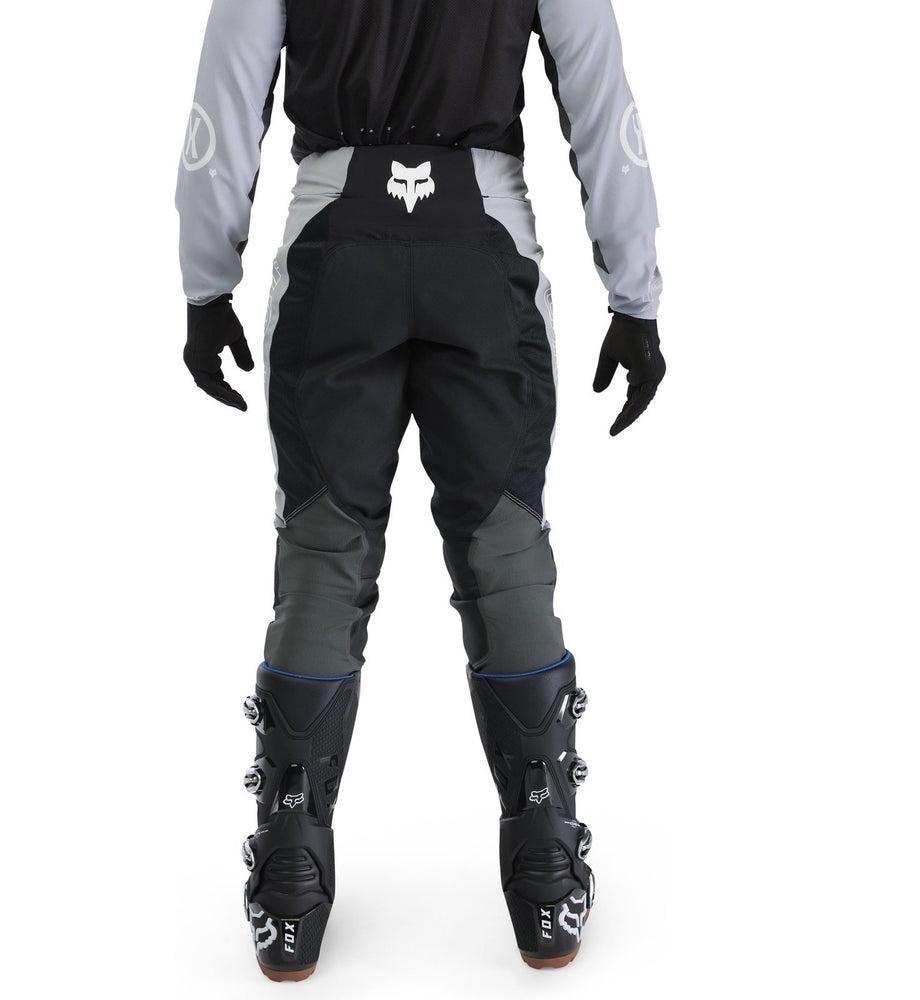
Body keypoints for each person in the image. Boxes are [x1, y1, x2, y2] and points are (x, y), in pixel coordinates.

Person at [176, 0, 666, 981]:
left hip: (334, 241)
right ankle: (545, 875)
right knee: (505, 552)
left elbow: (223, 101)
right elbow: (601, 99)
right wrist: (636, 295)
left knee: (322, 554)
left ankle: (289, 884)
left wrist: (204, 284)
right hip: (482, 243)